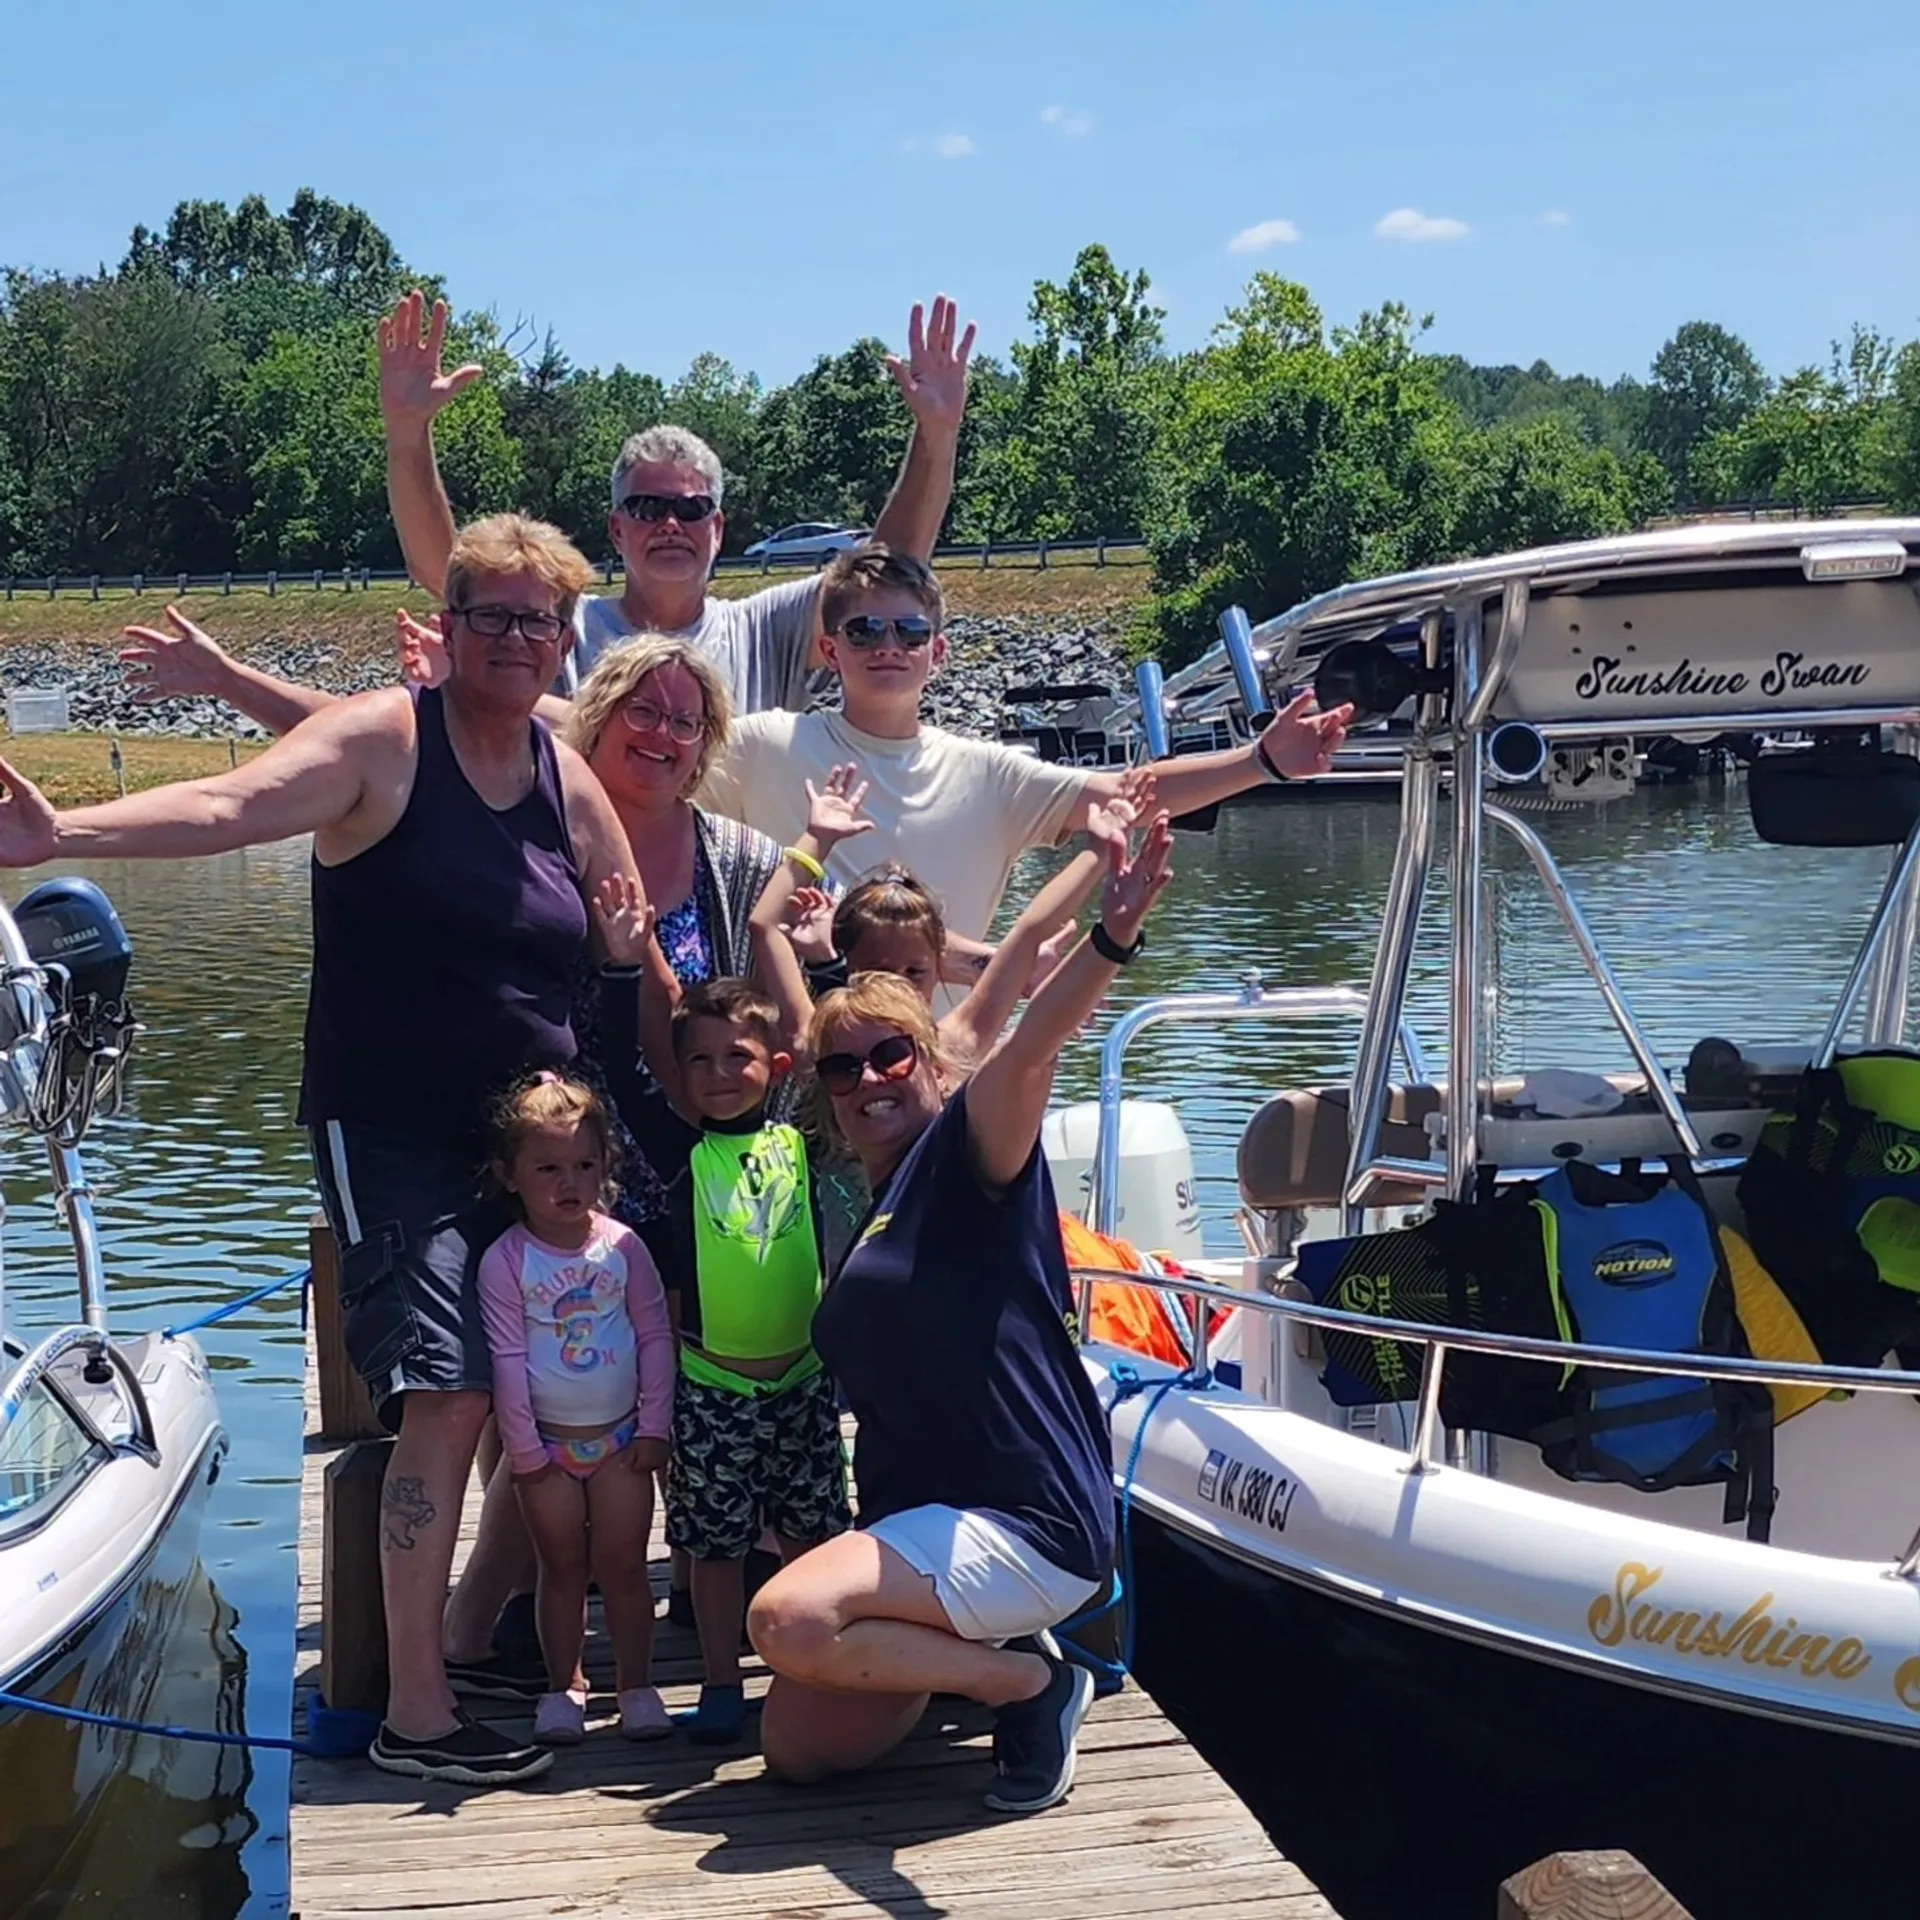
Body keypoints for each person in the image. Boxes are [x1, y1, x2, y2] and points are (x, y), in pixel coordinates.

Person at [0, 513, 641, 1787]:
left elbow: (625, 932)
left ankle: (475, 1635)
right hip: (393, 1131)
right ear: (450, 626)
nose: (517, 639)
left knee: (551, 1386)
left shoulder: (566, 773)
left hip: (538, 1147)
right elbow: (230, 803)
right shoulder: (383, 741)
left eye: (541, 620)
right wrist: (64, 835)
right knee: (446, 1392)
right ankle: (418, 1713)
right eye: (493, 614)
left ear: (565, 637)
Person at [745, 807, 1176, 1815]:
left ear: (935, 1065)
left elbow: (1030, 1046)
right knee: (799, 1751)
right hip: (921, 1525)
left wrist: (1112, 935)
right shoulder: (871, 1211)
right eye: (844, 1068)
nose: (868, 1080)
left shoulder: (971, 1158)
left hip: (1027, 1520)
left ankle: (1030, 1683)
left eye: (892, 1056)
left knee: (787, 1620)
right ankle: (983, 1644)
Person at [115, 290, 977, 730]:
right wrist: (408, 435)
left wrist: (937, 436)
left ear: (720, 529)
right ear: (615, 528)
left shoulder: (768, 629)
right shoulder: (560, 627)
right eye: (648, 506)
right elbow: (445, 568)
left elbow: (887, 574)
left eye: (690, 510)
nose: (669, 524)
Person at [696, 544, 1350, 970]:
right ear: (829, 649)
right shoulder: (764, 745)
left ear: (937, 653)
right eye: (864, 630)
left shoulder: (990, 773)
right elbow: (658, 799)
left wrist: (1260, 761)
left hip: (944, 1073)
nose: (888, 646)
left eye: (910, 631)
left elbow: (1130, 794)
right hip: (802, 1074)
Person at [591, 916, 849, 1747]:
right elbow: (623, 1071)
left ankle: (811, 1672)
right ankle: (719, 1679)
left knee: (813, 1533)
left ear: (775, 1067)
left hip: (803, 1383)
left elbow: (836, 1050)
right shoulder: (682, 1153)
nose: (718, 1074)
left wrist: (824, 960)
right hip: (714, 1388)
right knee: (715, 1546)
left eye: (737, 1056)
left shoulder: (803, 1140)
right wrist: (623, 968)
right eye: (698, 1061)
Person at [476, 1072, 675, 1746]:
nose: (570, 1183)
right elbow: (507, 1359)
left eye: (585, 1166)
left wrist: (655, 1425)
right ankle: (565, 1685)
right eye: (549, 1169)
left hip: (621, 1443)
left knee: (624, 1569)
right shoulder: (506, 1262)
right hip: (548, 1451)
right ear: (509, 1176)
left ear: (605, 1165)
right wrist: (524, 1452)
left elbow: (654, 1335)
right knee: (559, 1571)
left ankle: (636, 1685)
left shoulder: (624, 1248)